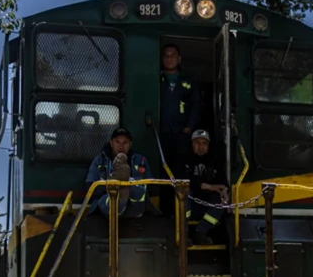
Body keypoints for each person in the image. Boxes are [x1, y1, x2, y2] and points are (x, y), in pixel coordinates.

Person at [85, 128, 153, 219]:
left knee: (139, 191)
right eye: (117, 142)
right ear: (111, 143)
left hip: (135, 206)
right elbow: (90, 187)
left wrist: (128, 184)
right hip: (107, 206)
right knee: (108, 198)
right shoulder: (100, 160)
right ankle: (120, 198)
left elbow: (150, 186)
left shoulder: (140, 160)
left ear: (130, 144)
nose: (121, 147)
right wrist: (112, 186)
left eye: (125, 143)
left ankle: (124, 188)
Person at [159, 44, 202, 174]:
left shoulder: (189, 79)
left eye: (173, 56)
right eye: (166, 56)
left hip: (181, 133)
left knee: (180, 168)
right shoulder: (157, 78)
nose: (169, 59)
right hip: (161, 132)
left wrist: (189, 127)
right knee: (161, 167)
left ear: (179, 59)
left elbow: (196, 104)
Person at [185, 130, 227, 245]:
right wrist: (208, 186)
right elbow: (188, 181)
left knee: (222, 199)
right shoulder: (185, 159)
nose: (201, 146)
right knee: (184, 192)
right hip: (190, 205)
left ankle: (201, 232)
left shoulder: (213, 160)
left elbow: (222, 180)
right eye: (197, 143)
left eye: (204, 143)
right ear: (192, 144)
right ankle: (184, 233)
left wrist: (224, 190)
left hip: (206, 205)